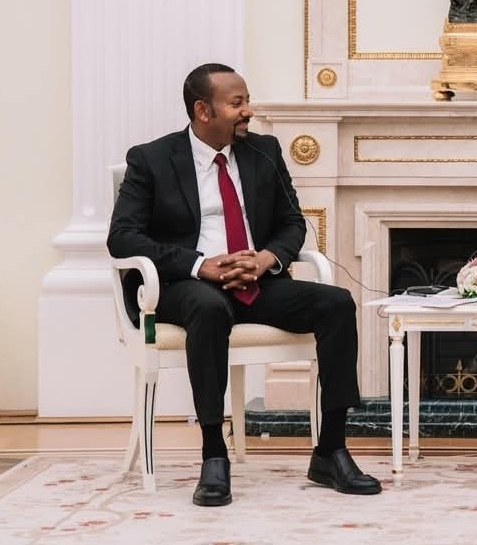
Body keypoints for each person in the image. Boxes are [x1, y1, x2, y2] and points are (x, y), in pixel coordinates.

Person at [107, 63, 381, 506]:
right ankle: (214, 455)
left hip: (256, 281)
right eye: (237, 103)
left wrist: (266, 258)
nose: (248, 111)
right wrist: (201, 265)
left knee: (336, 303)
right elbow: (123, 237)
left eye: (247, 101)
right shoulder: (152, 159)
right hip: (185, 285)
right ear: (203, 110)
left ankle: (330, 450)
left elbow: (292, 222)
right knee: (209, 308)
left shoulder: (263, 152)